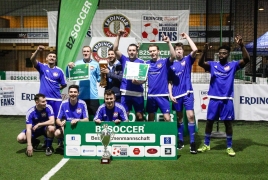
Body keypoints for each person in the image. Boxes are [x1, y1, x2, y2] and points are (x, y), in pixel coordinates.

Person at [197, 35, 250, 157]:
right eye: (220, 53)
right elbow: (200, 63)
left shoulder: (233, 65)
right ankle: (206, 144)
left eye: (224, 53)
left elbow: (246, 59)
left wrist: (242, 45)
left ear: (228, 55)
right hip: (214, 99)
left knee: (227, 123)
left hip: (227, 100)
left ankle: (229, 146)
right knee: (209, 122)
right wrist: (204, 51)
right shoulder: (212, 65)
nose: (221, 55)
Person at [168, 33, 198, 154]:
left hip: (188, 93)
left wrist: (187, 38)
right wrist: (170, 94)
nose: (179, 51)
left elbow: (195, 49)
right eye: (177, 50)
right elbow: (169, 82)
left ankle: (192, 142)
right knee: (179, 117)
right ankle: (180, 140)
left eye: (180, 50)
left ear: (183, 51)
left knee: (190, 116)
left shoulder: (188, 60)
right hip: (176, 95)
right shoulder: (171, 65)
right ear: (174, 52)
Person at [113, 30, 145, 121]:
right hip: (125, 92)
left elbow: (144, 79)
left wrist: (138, 82)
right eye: (130, 50)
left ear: (136, 52)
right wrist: (118, 35)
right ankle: (126, 135)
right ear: (127, 51)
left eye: (133, 50)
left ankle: (140, 134)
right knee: (125, 115)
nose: (131, 52)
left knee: (140, 116)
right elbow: (115, 49)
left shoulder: (142, 62)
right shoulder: (124, 59)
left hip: (138, 93)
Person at [30, 45, 67, 119]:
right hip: (44, 99)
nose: (52, 58)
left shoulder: (59, 71)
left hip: (56, 99)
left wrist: (56, 88)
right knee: (43, 119)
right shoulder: (42, 67)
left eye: (54, 57)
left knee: (57, 119)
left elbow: (64, 84)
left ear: (55, 60)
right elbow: (32, 60)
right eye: (50, 56)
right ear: (46, 58)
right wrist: (37, 50)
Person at [146, 34, 176, 122]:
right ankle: (150, 135)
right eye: (151, 51)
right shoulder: (146, 63)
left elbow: (173, 56)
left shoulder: (164, 62)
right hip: (151, 95)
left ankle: (169, 135)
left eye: (154, 51)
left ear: (158, 51)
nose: (152, 53)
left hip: (163, 95)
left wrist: (169, 43)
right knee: (150, 119)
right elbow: (142, 78)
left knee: (167, 118)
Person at [68, 46, 101, 120]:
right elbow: (69, 75)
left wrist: (103, 75)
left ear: (91, 53)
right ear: (82, 52)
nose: (86, 53)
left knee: (97, 118)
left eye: (87, 51)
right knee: (82, 118)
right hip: (81, 96)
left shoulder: (96, 64)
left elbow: (99, 80)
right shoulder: (77, 63)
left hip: (93, 96)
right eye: (84, 51)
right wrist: (69, 67)